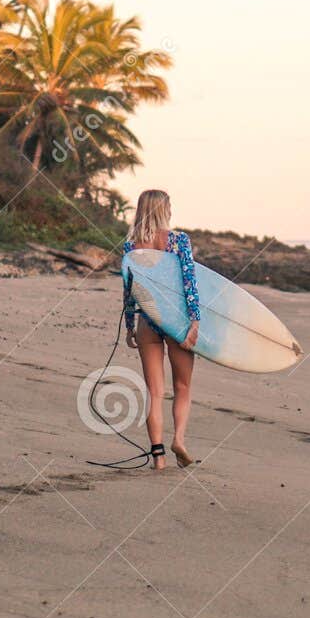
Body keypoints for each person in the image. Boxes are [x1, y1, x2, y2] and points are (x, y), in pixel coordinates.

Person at [121, 190, 199, 470]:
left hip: (148, 322)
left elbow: (130, 290)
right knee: (183, 387)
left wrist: (130, 325)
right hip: (176, 321)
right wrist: (195, 321)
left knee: (155, 392)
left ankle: (159, 458)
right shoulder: (178, 241)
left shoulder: (131, 246)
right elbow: (190, 284)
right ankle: (179, 439)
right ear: (164, 209)